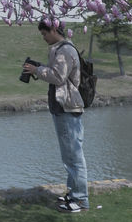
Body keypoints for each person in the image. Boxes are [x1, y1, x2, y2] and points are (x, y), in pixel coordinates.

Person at [22, 18, 89, 212]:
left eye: (44, 33)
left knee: (74, 156)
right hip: (62, 107)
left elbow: (58, 77)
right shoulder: (60, 49)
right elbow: (58, 73)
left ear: (53, 29)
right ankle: (73, 193)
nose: (43, 38)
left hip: (67, 108)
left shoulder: (65, 50)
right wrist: (41, 68)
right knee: (69, 156)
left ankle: (81, 200)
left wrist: (37, 70)